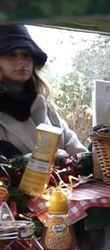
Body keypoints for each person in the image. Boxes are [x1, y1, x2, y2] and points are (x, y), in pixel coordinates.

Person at [0, 25, 88, 156]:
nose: (21, 61)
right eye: (11, 54)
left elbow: (80, 155)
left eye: (26, 55)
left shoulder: (46, 108)